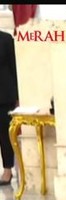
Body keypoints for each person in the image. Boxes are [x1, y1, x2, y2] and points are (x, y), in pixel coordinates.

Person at [0, 29, 17, 186]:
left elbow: (14, 67)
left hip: (4, 96)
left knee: (5, 135)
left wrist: (17, 96)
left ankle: (7, 170)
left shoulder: (5, 39)